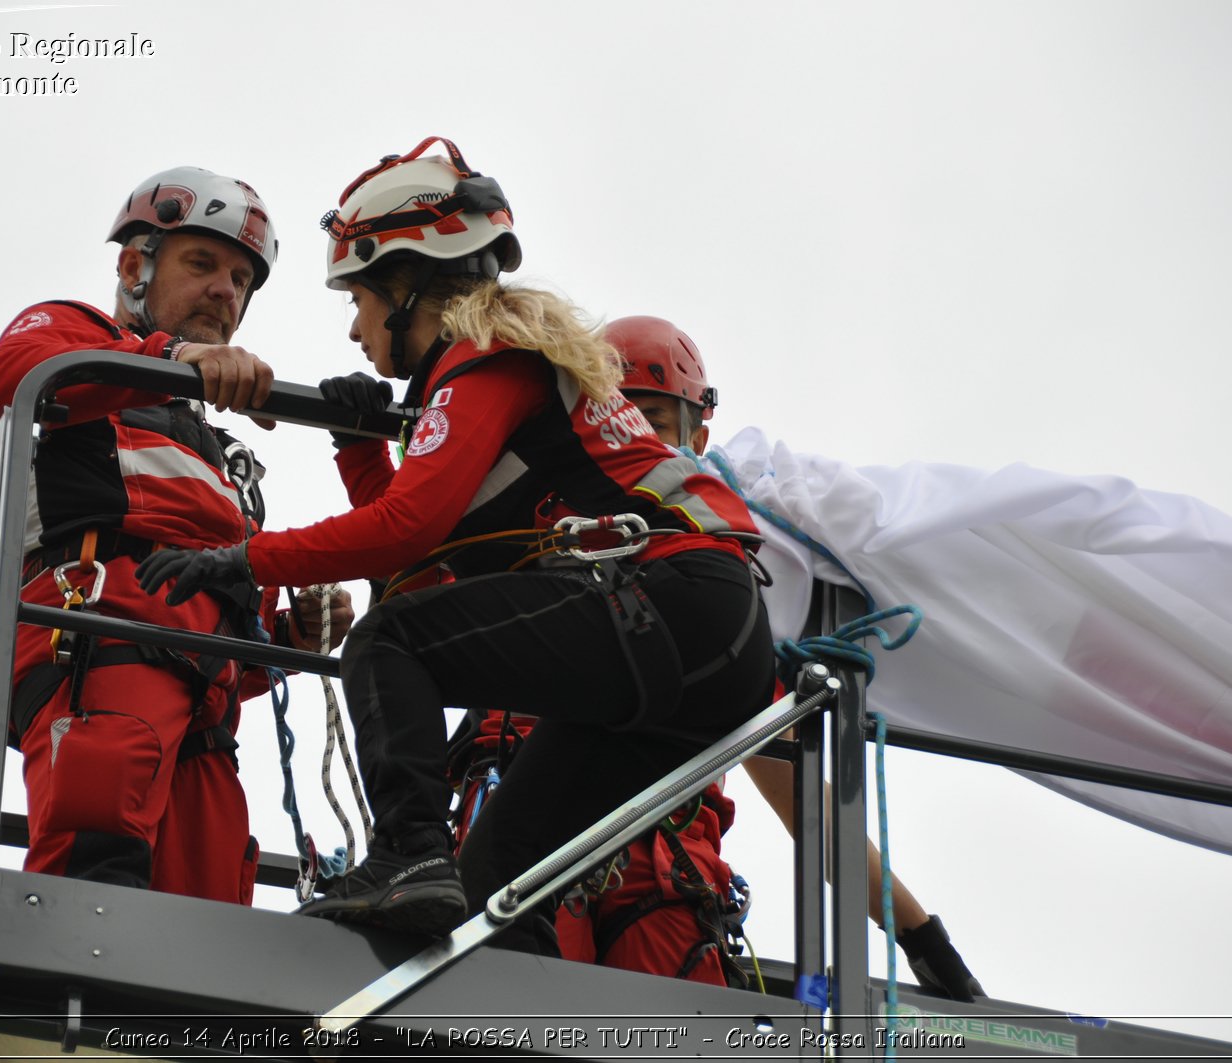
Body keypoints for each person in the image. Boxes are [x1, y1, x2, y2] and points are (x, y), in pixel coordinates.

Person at [134, 137, 776, 946]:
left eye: (357, 299)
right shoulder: (491, 376)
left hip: (676, 606)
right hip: (708, 651)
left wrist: (241, 558)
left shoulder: (489, 359)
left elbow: (406, 528)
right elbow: (420, 558)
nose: (354, 330)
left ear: (406, 283)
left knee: (387, 641)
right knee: (500, 887)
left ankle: (407, 851)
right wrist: (357, 442)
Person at [446, 316, 984, 999]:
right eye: (618, 418)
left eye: (654, 419)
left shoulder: (711, 609)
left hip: (663, 896)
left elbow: (804, 799)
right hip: (520, 861)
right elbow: (403, 570)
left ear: (695, 439)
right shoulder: (518, 546)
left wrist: (924, 938)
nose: (635, 438)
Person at [0, 165, 352, 905]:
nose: (226, 292)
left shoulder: (220, 453)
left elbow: (221, 629)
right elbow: (6, 382)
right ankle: (57, 1016)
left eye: (242, 279)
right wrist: (174, 362)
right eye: (203, 263)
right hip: (95, 636)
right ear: (131, 266)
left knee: (208, 915)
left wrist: (291, 637)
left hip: (205, 707)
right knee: (96, 863)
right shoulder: (78, 340)